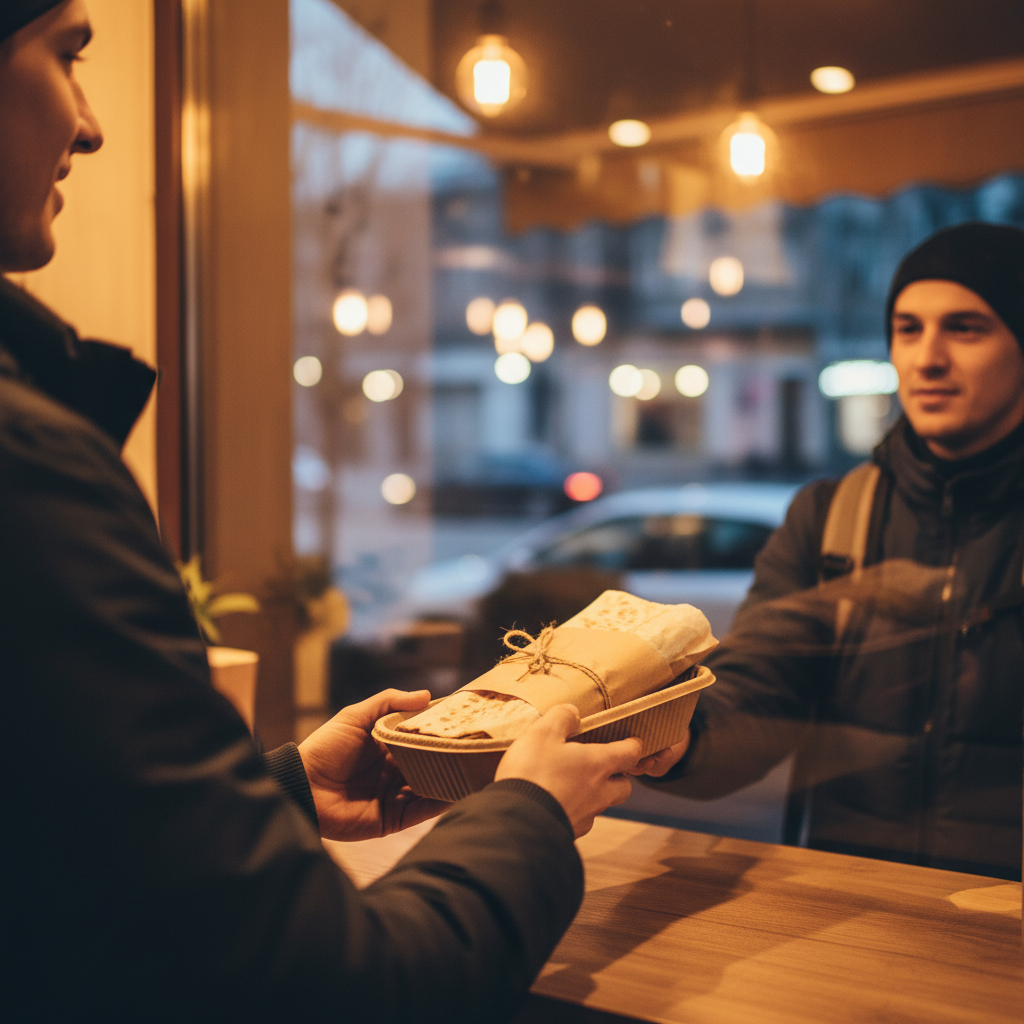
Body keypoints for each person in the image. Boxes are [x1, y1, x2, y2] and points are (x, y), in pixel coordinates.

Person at [0, 3, 646, 1020]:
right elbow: (334, 990)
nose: (90, 125)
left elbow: (46, 851)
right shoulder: (29, 463)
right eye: (66, 55)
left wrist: (281, 790)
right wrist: (528, 811)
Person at [638, 220, 1024, 881]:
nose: (927, 358)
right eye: (908, 329)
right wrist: (668, 741)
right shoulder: (831, 517)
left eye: (965, 328)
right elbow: (759, 692)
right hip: (849, 913)